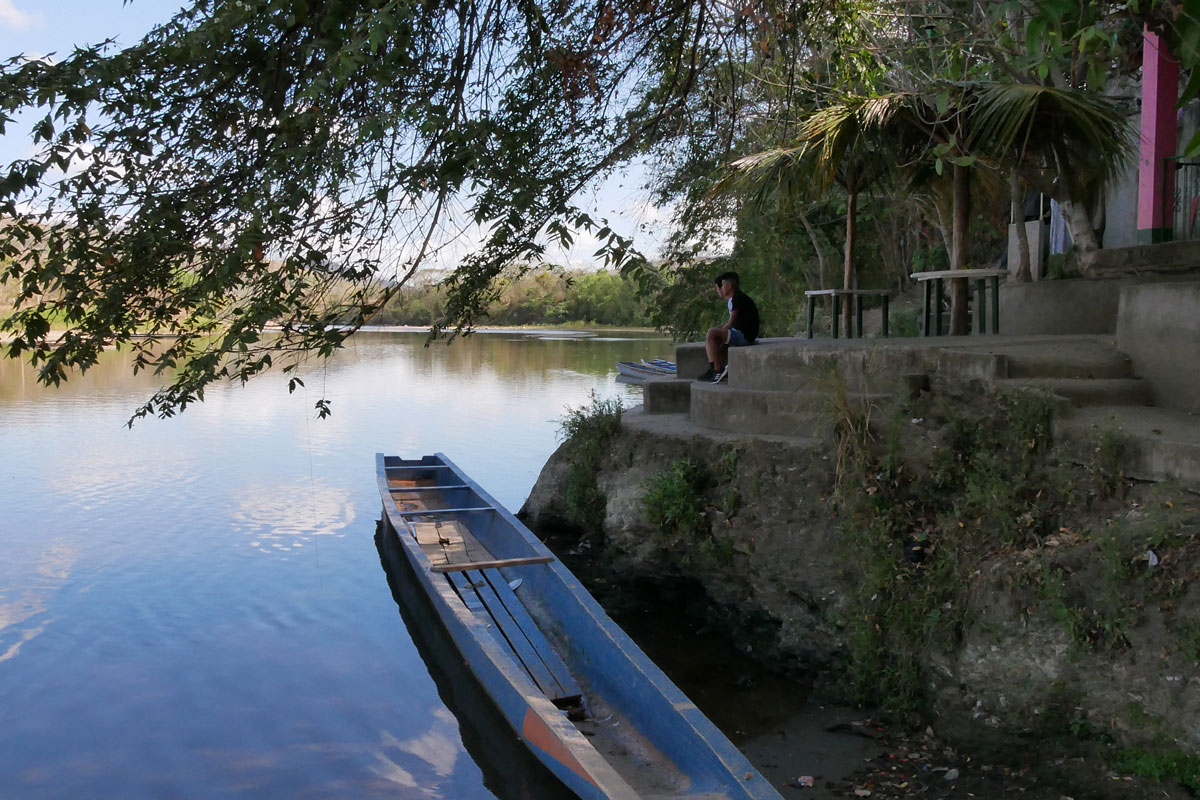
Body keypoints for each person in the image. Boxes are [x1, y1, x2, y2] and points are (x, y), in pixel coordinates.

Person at [696, 271, 759, 383]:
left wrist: (715, 333)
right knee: (711, 334)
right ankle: (714, 369)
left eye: (723, 284)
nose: (721, 287)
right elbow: (731, 322)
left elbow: (731, 323)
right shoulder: (736, 298)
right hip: (742, 333)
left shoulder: (738, 298)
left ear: (730, 286)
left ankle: (718, 370)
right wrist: (717, 330)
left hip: (745, 336)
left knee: (712, 334)